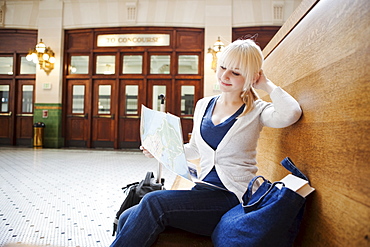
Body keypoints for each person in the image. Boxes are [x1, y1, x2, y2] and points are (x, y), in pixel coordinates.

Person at [110, 39, 302, 247]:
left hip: (232, 198)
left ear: (251, 76)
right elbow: (194, 149)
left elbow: (291, 113)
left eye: (236, 73)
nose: (225, 76)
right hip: (203, 193)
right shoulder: (203, 105)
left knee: (152, 201)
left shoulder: (257, 111)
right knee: (127, 215)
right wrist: (159, 149)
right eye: (222, 67)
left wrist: (265, 84)